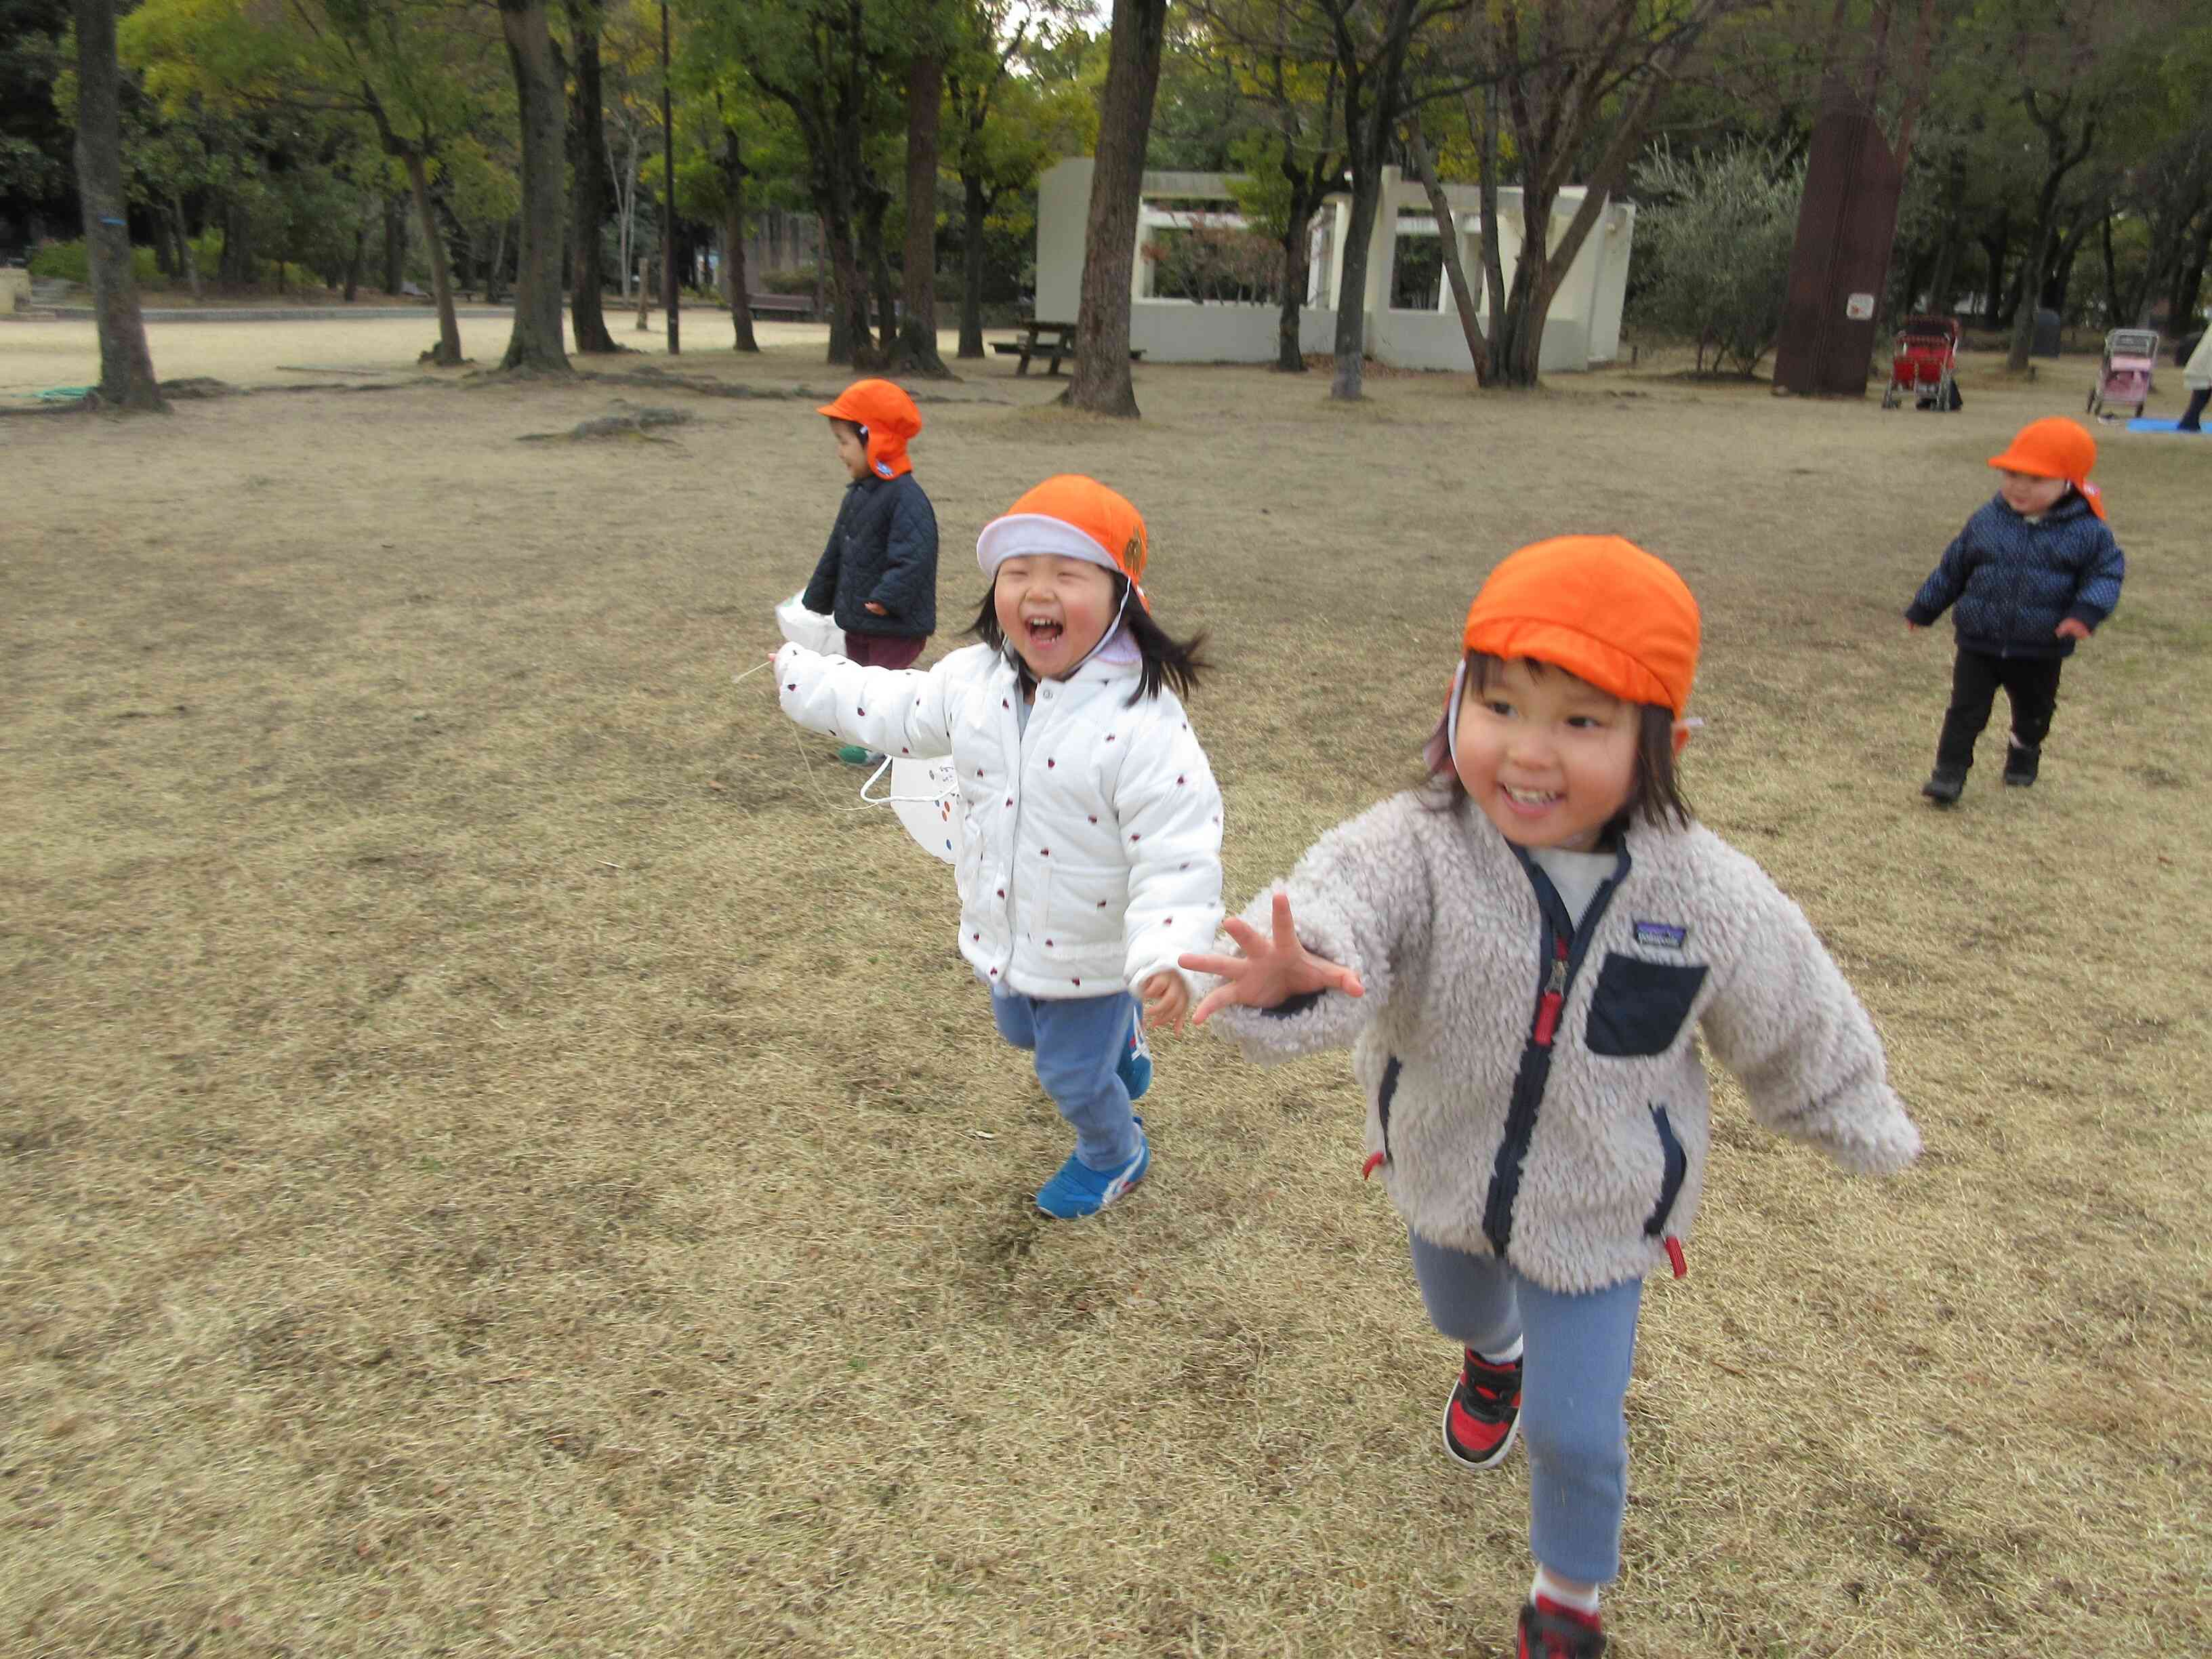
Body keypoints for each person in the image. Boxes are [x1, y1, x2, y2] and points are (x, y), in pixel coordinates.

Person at [1176, 537, 1921, 1659]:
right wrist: (1298, 969)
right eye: (1500, 704)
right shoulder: (1416, 844)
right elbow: (1336, 911)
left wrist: (1845, 1104)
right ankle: (1490, 1355)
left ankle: (1566, 1601)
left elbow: (1791, 1007)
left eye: (1580, 720)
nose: (1527, 752)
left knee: (1575, 1431)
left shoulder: (1703, 891)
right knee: (1458, 1308)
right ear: (1454, 702)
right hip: (1441, 1168)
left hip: (1599, 1210)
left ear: (1655, 738)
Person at [773, 476, 1223, 1218]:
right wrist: (804, 677)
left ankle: (1115, 1153)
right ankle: (1122, 1037)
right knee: (1018, 1024)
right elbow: (891, 706)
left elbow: (1177, 857)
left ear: (1121, 597)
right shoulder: (973, 682)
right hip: (1005, 928)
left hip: (1095, 949)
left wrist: (1170, 955)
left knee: (1070, 1074)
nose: (1036, 591)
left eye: (1066, 574)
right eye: (1018, 573)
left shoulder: (1145, 726)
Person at [1905, 416, 2125, 804]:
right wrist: (1925, 607)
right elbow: (1953, 567)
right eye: (2012, 474)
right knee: (1964, 710)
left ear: (2069, 482)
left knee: (2034, 711)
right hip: (1980, 641)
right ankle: (1948, 774)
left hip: (2041, 646)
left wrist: (2086, 612)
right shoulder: (1987, 520)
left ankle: (2024, 750)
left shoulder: (2088, 532)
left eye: (2037, 479)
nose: (2019, 487)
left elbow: (2106, 574)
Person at [802, 379, 939, 764]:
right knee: (860, 682)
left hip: (894, 622)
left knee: (884, 688)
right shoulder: (860, 493)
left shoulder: (905, 497)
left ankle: (891, 749)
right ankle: (871, 744)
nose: (839, 452)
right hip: (860, 619)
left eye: (845, 441)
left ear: (874, 439)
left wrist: (887, 597)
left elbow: (916, 555)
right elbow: (837, 551)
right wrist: (819, 596)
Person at [2177, 327, 2210, 432]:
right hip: (2205, 367)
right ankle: (2189, 423)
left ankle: (2190, 423)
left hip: (2203, 367)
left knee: (2200, 399)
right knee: (2200, 399)